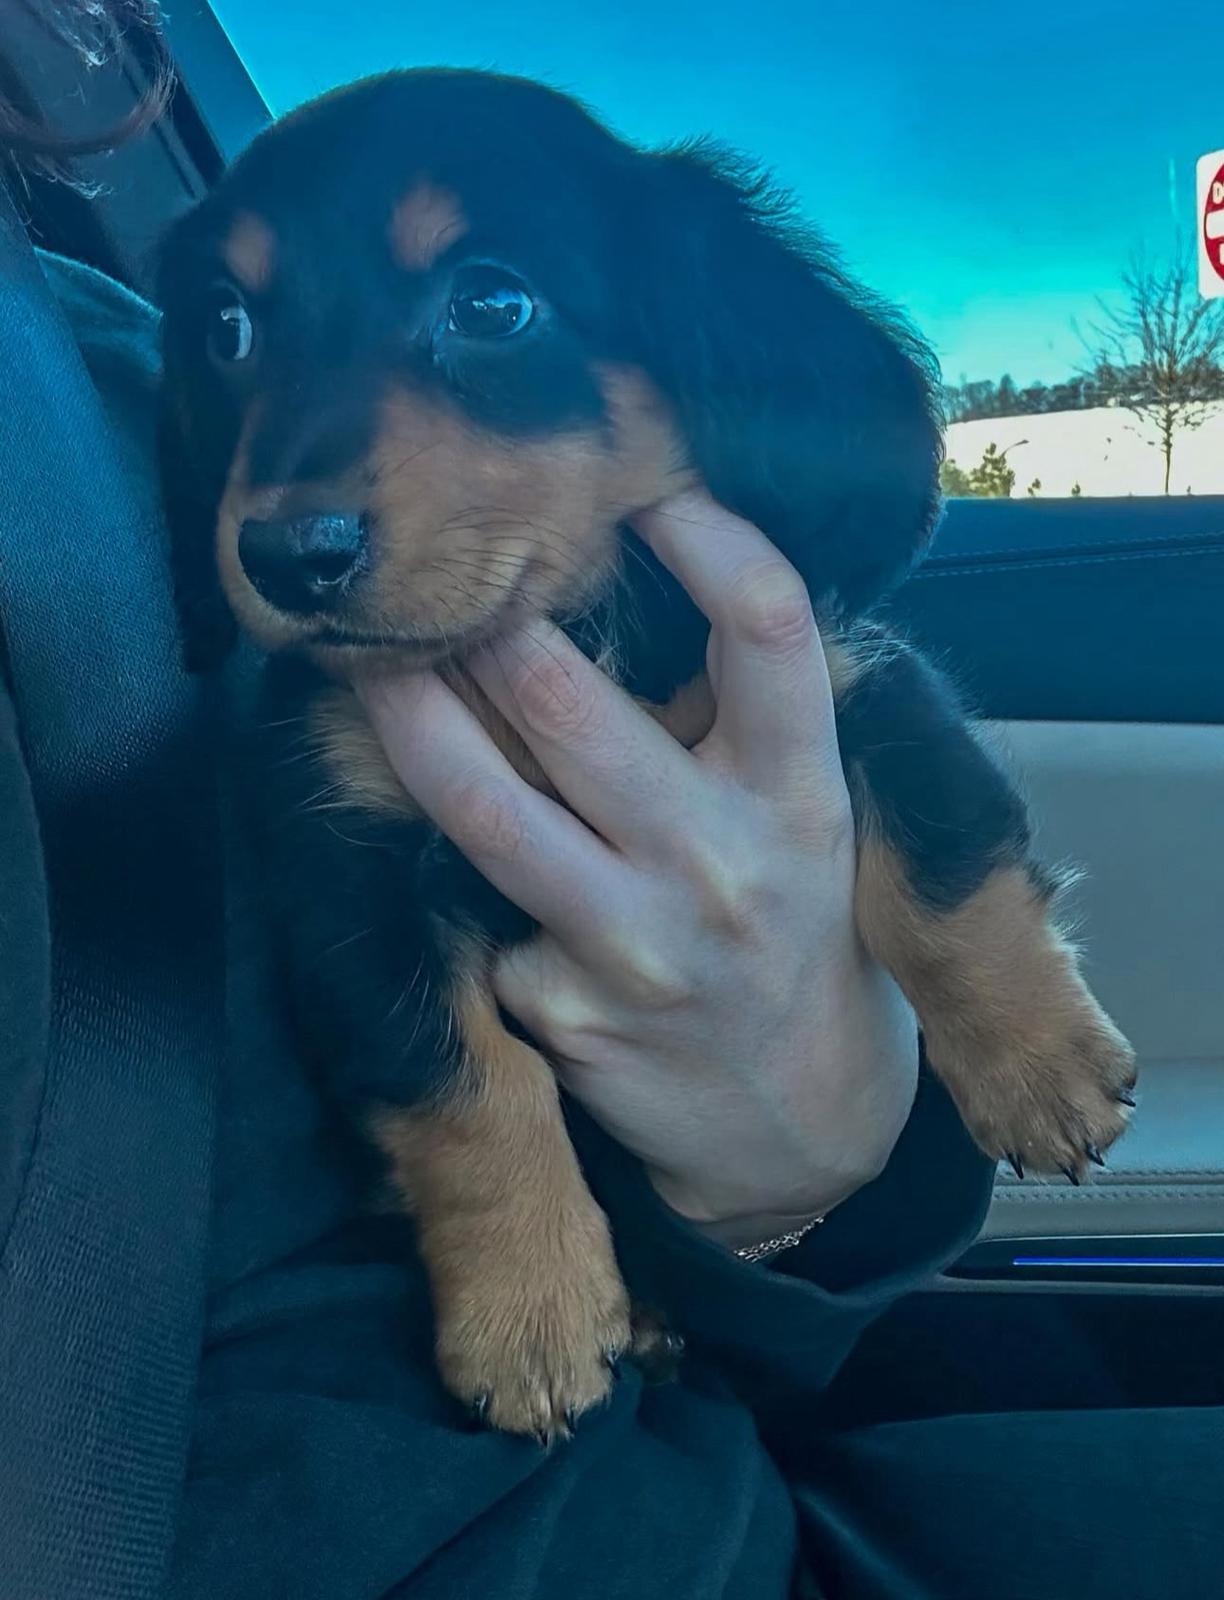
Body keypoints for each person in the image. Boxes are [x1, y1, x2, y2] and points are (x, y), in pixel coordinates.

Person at [1, 8, 1219, 1599]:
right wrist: (500, 1191)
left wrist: (821, 1158)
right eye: (233, 332)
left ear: (691, 358)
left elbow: (896, 745)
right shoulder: (244, 643)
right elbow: (364, 957)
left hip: (694, 1462)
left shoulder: (72, 397)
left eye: (486, 301)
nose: (297, 484)